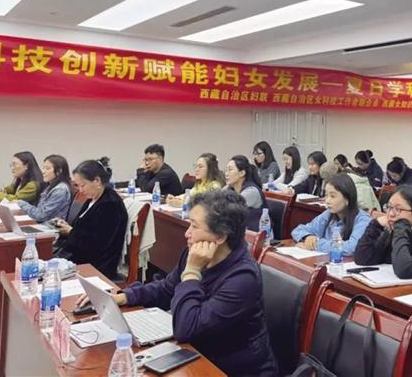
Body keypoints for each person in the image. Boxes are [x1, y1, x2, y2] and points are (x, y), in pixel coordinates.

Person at [78, 189, 278, 376]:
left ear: (220, 237)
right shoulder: (196, 253)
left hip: (231, 369)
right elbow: (166, 289)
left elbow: (186, 329)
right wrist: (123, 297)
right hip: (198, 353)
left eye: (195, 226)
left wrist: (192, 272)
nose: (187, 233)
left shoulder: (243, 278)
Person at [53, 158, 128, 279]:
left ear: (97, 181)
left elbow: (97, 245)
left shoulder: (110, 204)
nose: (80, 190)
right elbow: (84, 230)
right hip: (78, 257)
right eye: (78, 186)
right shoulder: (93, 199)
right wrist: (68, 228)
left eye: (83, 185)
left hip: (97, 265)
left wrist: (71, 232)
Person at [291, 173, 370, 255]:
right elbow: (298, 230)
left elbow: (351, 248)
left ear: (347, 199)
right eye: (326, 195)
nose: (327, 201)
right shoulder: (328, 214)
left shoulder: (363, 220)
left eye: (332, 196)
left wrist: (316, 244)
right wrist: (307, 237)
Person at [18, 154, 72, 222]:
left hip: (50, 226)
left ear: (59, 171)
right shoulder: (51, 186)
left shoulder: (60, 190)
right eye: (43, 168)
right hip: (43, 224)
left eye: (47, 168)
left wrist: (21, 203)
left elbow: (41, 216)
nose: (43, 171)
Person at [225, 155, 269, 231]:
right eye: (226, 170)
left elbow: (228, 212)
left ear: (242, 173)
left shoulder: (251, 191)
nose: (226, 174)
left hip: (255, 234)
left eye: (230, 170)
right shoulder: (230, 188)